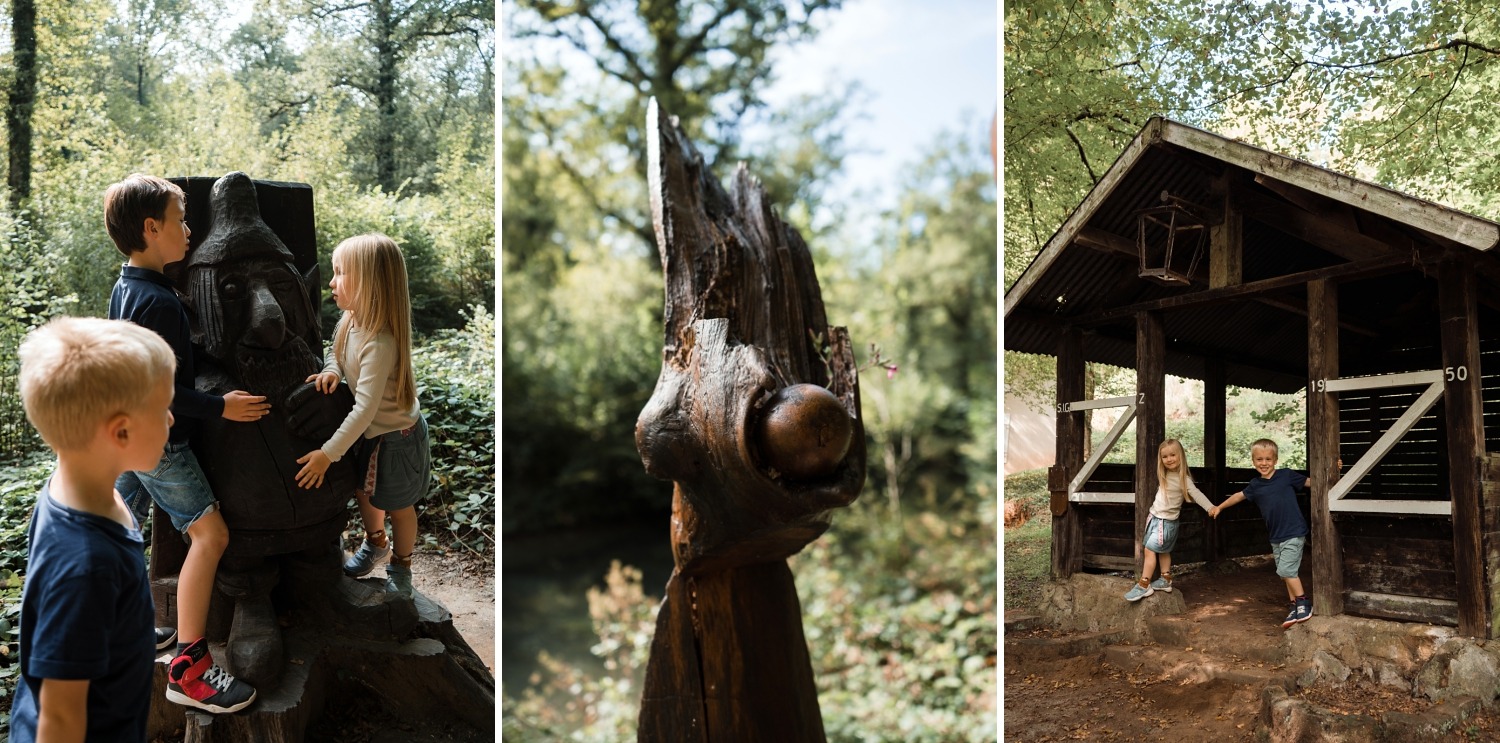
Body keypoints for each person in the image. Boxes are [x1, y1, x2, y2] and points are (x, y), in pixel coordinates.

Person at [103, 173, 260, 713]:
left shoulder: (127, 286)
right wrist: (222, 406)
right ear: (152, 228)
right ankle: (189, 669)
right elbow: (162, 389)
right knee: (210, 536)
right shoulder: (161, 304)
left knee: (119, 530)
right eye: (181, 220)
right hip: (158, 442)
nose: (189, 230)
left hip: (123, 434)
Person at [9, 317, 174, 742]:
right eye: (162, 409)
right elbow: (60, 720)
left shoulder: (83, 488)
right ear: (121, 431)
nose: (171, 419)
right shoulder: (85, 568)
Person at [294, 233, 432, 597]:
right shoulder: (349, 321)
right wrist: (332, 372)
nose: (332, 282)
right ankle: (375, 541)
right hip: (369, 435)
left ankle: (401, 565)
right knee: (364, 491)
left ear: (369, 282)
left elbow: (363, 409)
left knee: (398, 506)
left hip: (395, 438)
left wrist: (327, 454)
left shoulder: (380, 342)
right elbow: (335, 354)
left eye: (340, 273)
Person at [1209, 438, 1314, 628]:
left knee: (1286, 570)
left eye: (1268, 459)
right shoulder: (1256, 485)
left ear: (1275, 460)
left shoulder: (1286, 475)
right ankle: (1294, 607)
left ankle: (1303, 602)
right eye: (1259, 459)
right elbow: (1238, 496)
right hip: (1276, 536)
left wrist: (1334, 470)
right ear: (1253, 461)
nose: (1263, 463)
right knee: (1285, 574)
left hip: (1294, 532)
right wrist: (1220, 507)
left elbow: (1313, 482)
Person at [1124, 439, 1215, 601]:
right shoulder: (1164, 474)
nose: (1169, 459)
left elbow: (1196, 494)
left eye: (1173, 455)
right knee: (1164, 550)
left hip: (1165, 523)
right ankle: (1166, 579)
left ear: (1181, 456)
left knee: (1149, 551)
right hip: (1155, 519)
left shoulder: (1184, 479)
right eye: (1165, 456)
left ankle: (1144, 584)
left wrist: (1210, 507)